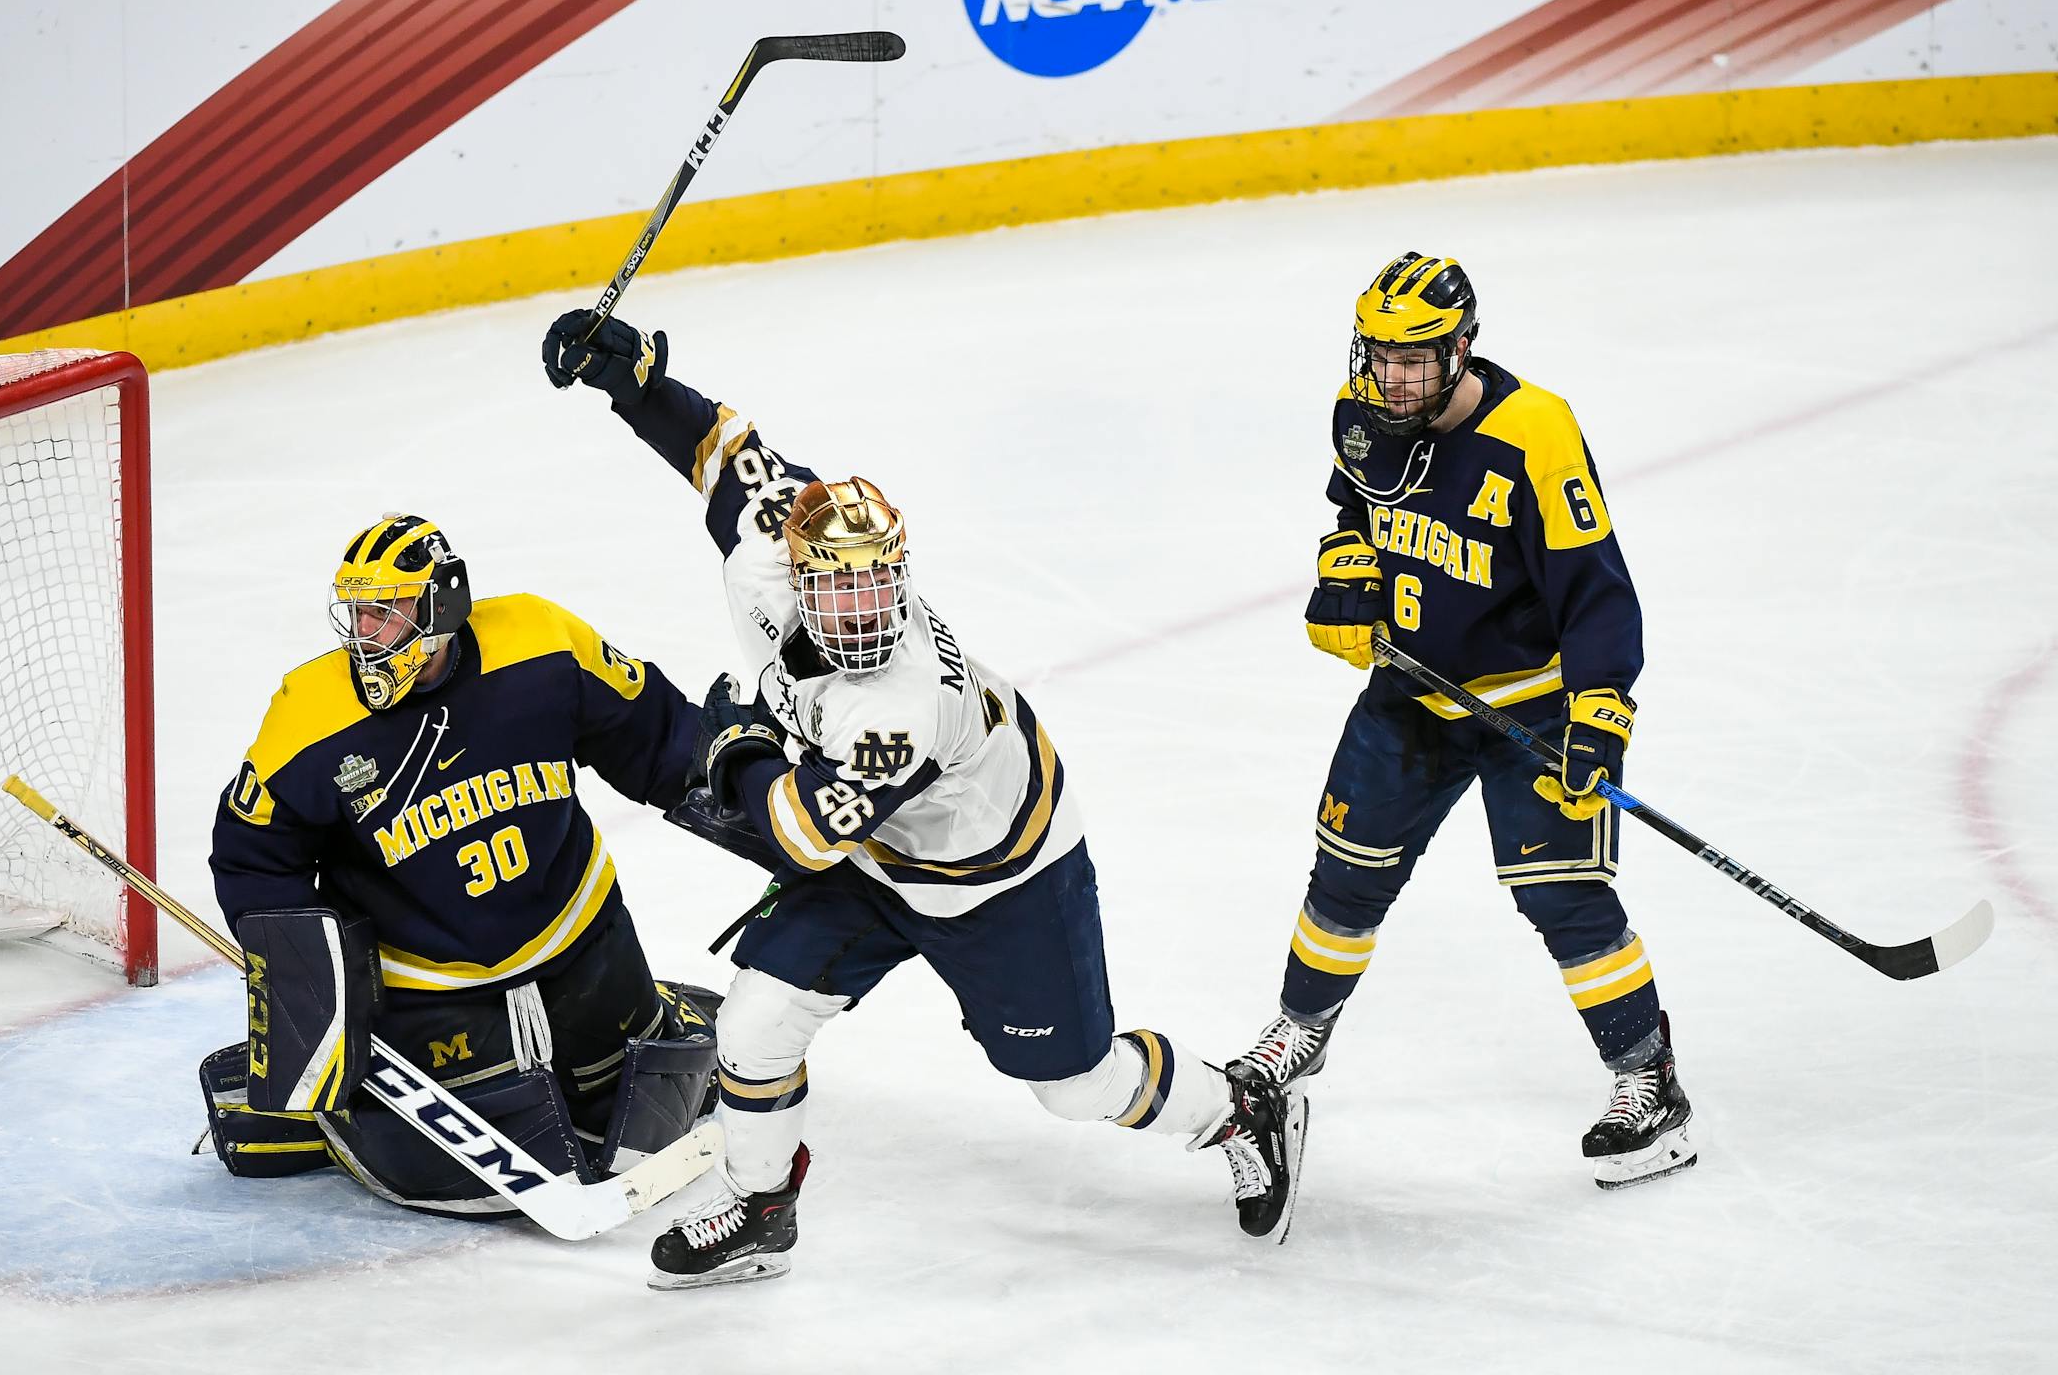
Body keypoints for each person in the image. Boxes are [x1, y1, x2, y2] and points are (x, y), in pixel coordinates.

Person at [543, 309, 1308, 1289]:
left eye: (880, 588)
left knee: (1074, 1088)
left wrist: (735, 746)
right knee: (753, 1026)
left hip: (1003, 875)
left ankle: (1240, 1107)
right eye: (843, 590)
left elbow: (798, 832)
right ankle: (764, 1209)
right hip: (877, 861)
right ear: (800, 570)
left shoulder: (903, 707)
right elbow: (724, 452)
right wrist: (635, 383)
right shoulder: (765, 556)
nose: (866, 612)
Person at [1227, 251, 1695, 1190]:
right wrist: (1345, 587)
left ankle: (1649, 1081)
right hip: (1411, 697)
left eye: (1417, 358)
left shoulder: (1535, 431)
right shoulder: (1358, 415)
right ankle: (1302, 1034)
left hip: (1532, 704)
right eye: (1379, 355)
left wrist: (1599, 717)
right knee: (1345, 879)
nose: (1392, 377)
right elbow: (1352, 515)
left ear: (1462, 348)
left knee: (1561, 893)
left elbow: (1596, 588)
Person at [199, 514, 723, 1217]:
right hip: (429, 983)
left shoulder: (540, 642)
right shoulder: (309, 716)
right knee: (476, 1167)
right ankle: (330, 1109)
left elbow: (652, 733)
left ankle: (652, 1014)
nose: (367, 635)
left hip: (582, 941)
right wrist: (306, 978)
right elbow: (251, 856)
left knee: (640, 1119)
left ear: (442, 606)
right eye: (358, 614)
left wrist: (745, 787)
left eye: (388, 612)